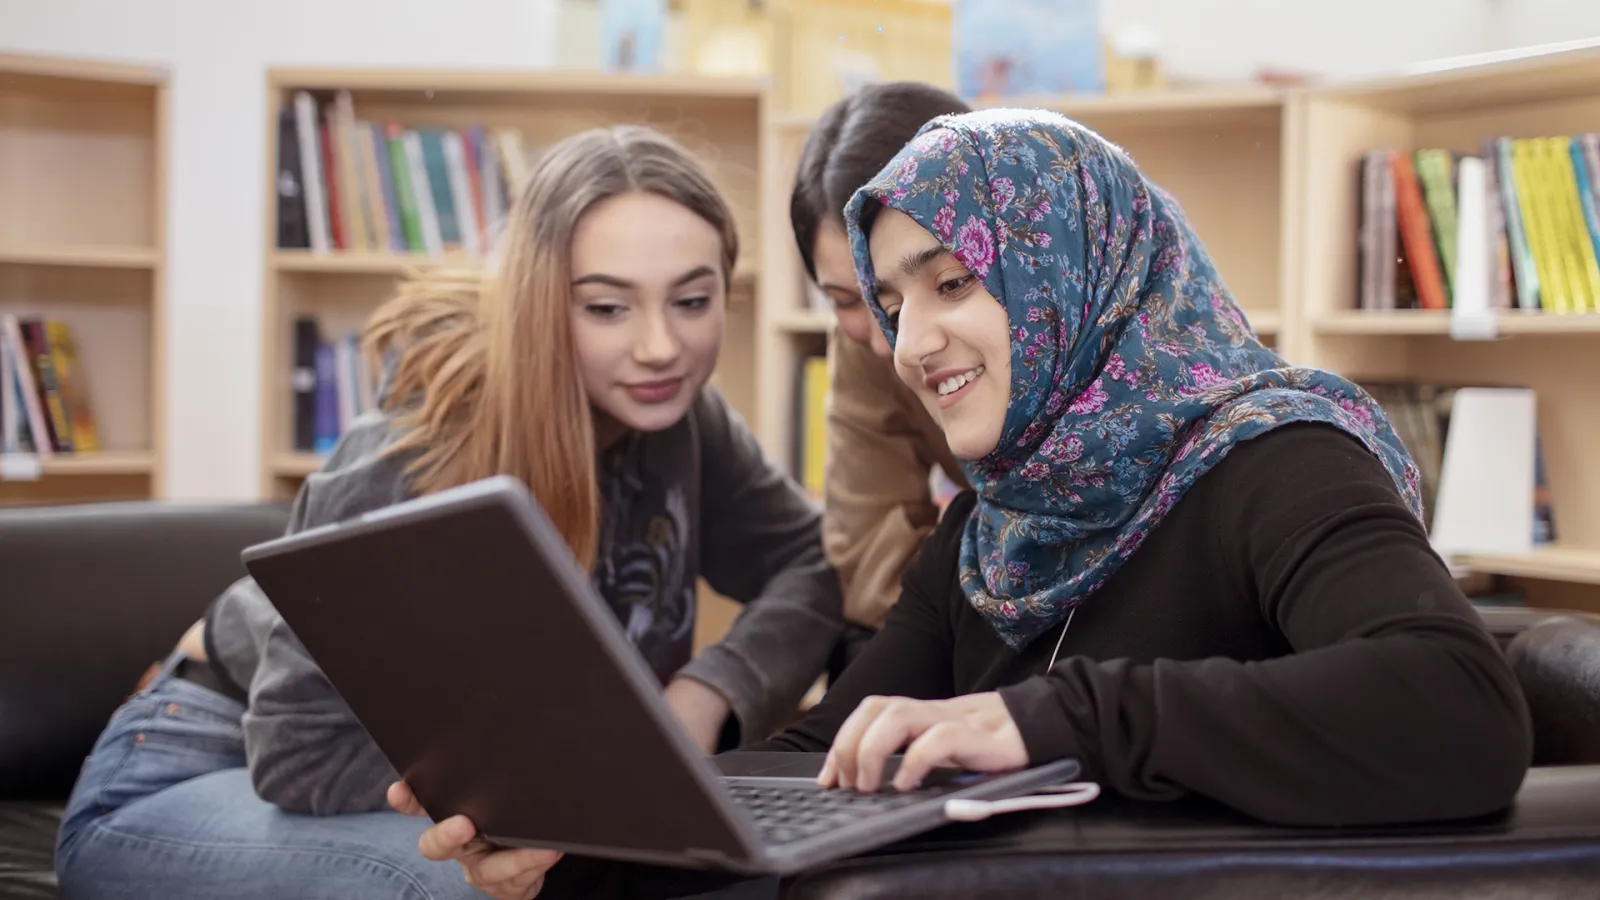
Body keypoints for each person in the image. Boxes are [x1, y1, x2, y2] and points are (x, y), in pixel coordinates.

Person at [404, 107, 1534, 898]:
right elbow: (825, 757)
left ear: (1071, 270)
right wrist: (574, 835)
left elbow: (1455, 705)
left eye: (954, 282)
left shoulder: (1275, 455)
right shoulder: (993, 529)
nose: (910, 340)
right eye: (892, 300)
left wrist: (1049, 720)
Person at [54, 124, 845, 900]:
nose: (661, 346)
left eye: (694, 300)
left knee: (764, 868)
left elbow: (814, 563)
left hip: (439, 795)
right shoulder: (415, 455)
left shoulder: (688, 424)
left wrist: (703, 699)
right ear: (541, 304)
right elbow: (299, 755)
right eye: (607, 307)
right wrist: (547, 798)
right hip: (186, 771)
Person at [788, 82, 974, 636]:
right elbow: (871, 566)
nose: (893, 339)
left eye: (948, 283)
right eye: (846, 300)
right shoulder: (864, 343)